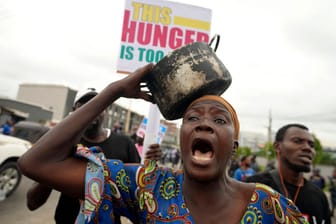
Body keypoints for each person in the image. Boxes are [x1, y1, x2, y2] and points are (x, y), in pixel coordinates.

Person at [18, 64, 308, 223]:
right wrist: (114, 90)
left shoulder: (270, 206)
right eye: (193, 119)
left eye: (220, 121)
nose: (204, 123)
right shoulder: (148, 186)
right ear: (182, 141)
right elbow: (36, 163)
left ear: (233, 147)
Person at [26, 87, 161, 224]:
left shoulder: (124, 144)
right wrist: (56, 158)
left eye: (97, 105)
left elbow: (141, 191)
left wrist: (150, 163)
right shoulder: (64, 144)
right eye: (84, 106)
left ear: (105, 110)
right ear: (74, 111)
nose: (91, 111)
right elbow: (33, 203)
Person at [246, 123, 331, 224]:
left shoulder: (319, 197)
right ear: (277, 147)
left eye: (311, 145)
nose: (308, 148)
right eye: (297, 141)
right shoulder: (254, 186)